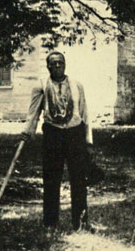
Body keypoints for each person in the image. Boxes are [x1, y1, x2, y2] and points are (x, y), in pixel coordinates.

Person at [21, 51, 94, 231]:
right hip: (53, 135)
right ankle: (50, 223)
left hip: (74, 134)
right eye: (54, 63)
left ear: (65, 64)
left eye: (61, 63)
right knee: (52, 178)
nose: (58, 66)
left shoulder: (76, 85)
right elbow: (33, 113)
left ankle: (81, 222)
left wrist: (88, 141)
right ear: (48, 67)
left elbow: (85, 114)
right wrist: (26, 132)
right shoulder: (41, 86)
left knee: (78, 178)